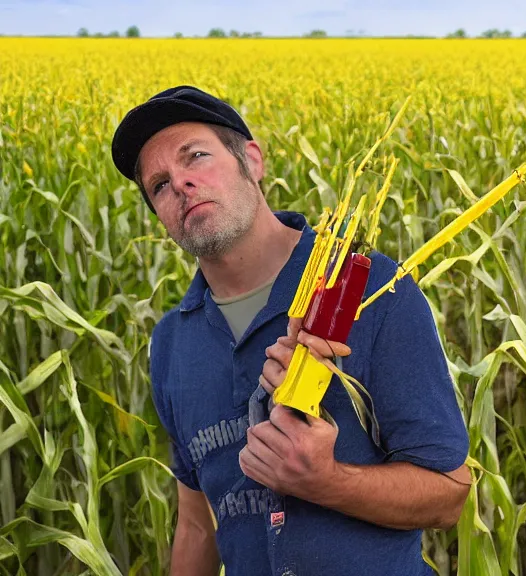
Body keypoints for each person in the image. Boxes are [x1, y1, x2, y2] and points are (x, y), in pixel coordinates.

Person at [111, 85, 471, 576]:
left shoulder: (366, 287)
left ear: (252, 160)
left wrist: (327, 481)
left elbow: (449, 495)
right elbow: (197, 526)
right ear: (158, 215)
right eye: (159, 185)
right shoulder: (172, 345)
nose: (180, 184)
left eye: (196, 157)